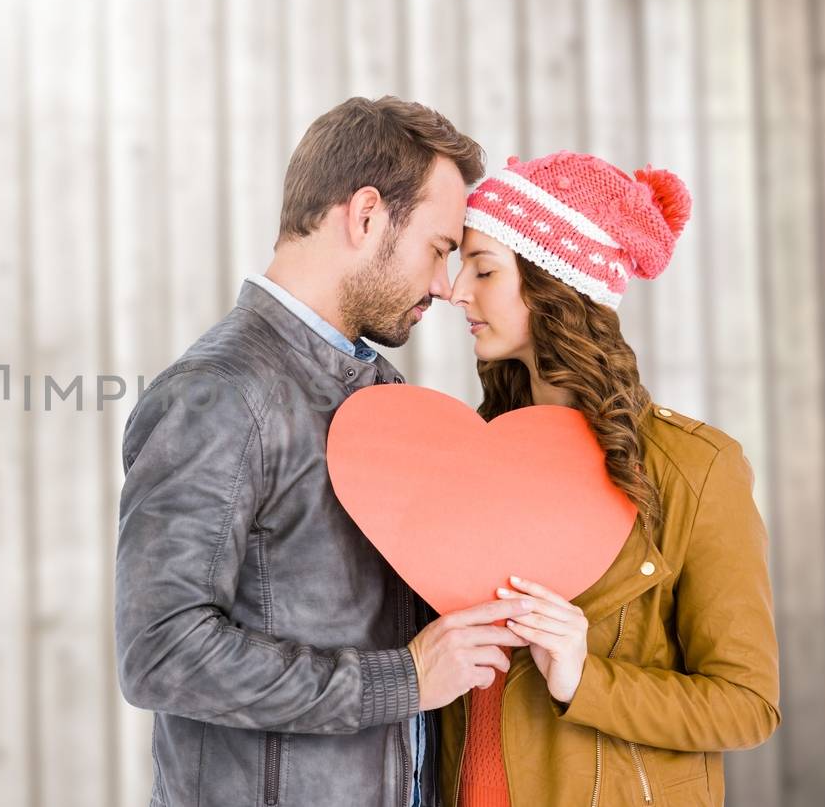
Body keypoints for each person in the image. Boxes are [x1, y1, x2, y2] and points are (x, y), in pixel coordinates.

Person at [114, 96, 535, 807]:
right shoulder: (217, 393)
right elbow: (160, 650)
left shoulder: (381, 391)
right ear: (366, 214)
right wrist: (402, 680)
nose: (444, 283)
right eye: (438, 248)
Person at [441, 151, 782, 806]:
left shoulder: (697, 470)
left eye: (483, 269)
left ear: (554, 288)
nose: (457, 290)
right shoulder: (471, 454)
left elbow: (747, 704)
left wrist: (583, 677)